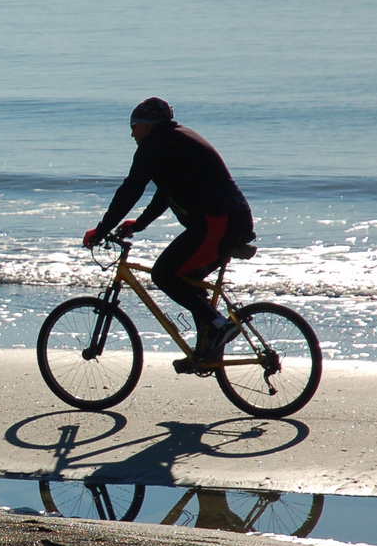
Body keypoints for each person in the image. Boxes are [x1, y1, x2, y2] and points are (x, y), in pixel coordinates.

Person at [83, 97, 254, 360]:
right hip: (228, 219)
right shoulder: (173, 140)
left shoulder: (156, 143)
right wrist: (138, 224)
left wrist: (102, 229)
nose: (131, 132)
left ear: (148, 125)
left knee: (164, 274)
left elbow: (132, 188)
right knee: (187, 279)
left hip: (218, 222)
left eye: (134, 125)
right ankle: (209, 349)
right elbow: (165, 193)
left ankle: (220, 325)